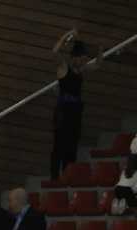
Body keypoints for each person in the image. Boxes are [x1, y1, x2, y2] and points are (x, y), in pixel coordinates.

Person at [50, 29, 91, 179]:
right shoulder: (64, 68)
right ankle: (55, 177)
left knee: (72, 145)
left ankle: (68, 175)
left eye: (85, 59)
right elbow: (55, 51)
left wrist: (100, 49)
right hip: (63, 111)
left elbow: (98, 64)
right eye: (82, 59)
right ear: (74, 57)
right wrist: (66, 35)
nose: (83, 62)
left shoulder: (80, 71)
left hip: (75, 111)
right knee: (59, 145)